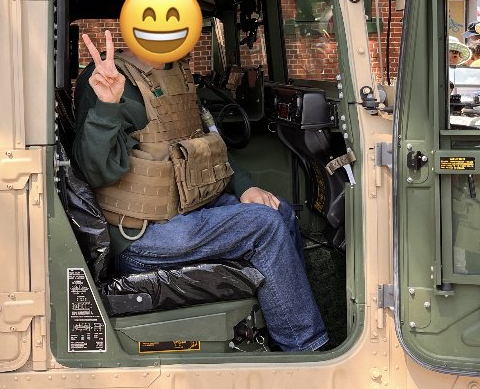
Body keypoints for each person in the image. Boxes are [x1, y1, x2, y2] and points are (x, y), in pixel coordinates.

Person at [73, 30, 326, 352]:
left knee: (279, 211)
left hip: (184, 208)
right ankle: (305, 350)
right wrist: (107, 106)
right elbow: (97, 170)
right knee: (264, 226)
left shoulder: (175, 71)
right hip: (142, 234)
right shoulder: (109, 79)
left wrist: (246, 187)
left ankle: (284, 328)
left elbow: (204, 146)